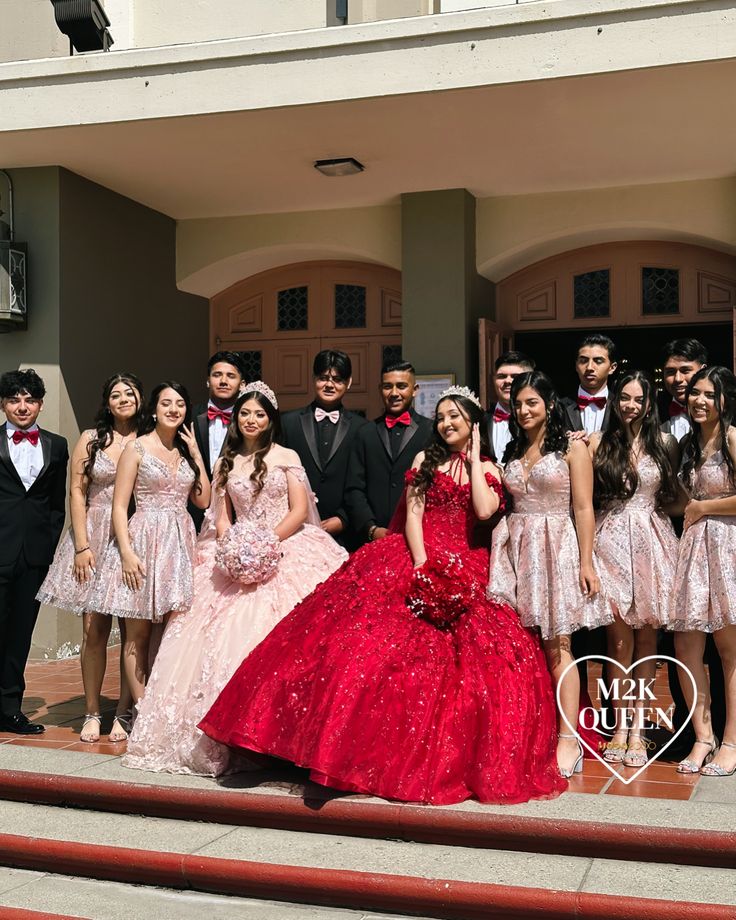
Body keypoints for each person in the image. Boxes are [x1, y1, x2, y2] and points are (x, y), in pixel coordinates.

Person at [200, 385, 565, 805]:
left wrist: (479, 450)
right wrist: (423, 563)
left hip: (469, 563)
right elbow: (412, 517)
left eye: (456, 417)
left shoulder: (489, 470)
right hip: (414, 554)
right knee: (361, 648)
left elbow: (484, 512)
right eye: (442, 416)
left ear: (472, 423)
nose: (446, 423)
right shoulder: (424, 459)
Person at [124, 383, 348, 776]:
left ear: (270, 420)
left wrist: (265, 541)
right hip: (235, 553)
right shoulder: (227, 461)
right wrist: (232, 545)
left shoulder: (286, 455)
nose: (251, 420)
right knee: (207, 637)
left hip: (286, 546)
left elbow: (298, 510)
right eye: (245, 414)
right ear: (236, 418)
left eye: (259, 414)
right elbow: (221, 514)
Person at [488, 370, 613, 777]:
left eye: (532, 403)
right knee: (522, 646)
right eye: (519, 403)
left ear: (549, 405)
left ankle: (568, 739)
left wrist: (586, 561)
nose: (523, 410)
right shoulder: (511, 450)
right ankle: (531, 731)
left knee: (558, 645)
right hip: (516, 551)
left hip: (556, 547)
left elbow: (583, 507)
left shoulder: (572, 449)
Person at [37, 373, 144, 743]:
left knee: (133, 630)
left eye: (129, 393)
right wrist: (82, 546)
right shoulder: (91, 439)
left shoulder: (149, 440)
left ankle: (126, 713)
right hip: (96, 533)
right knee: (93, 628)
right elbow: (77, 492)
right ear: (107, 402)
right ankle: (93, 711)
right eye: (116, 394)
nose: (123, 399)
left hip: (137, 536)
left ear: (141, 398)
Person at [90, 382, 210, 708]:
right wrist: (126, 553)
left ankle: (164, 703)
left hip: (180, 544)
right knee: (137, 635)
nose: (173, 409)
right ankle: (142, 711)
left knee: (172, 633)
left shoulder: (186, 451)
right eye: (166, 403)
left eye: (180, 404)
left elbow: (203, 499)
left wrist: (197, 454)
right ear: (154, 409)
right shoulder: (137, 448)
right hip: (144, 540)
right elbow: (119, 506)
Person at [589, 371, 680, 768]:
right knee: (618, 644)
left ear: (648, 402)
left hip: (652, 543)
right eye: (623, 398)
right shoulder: (597, 443)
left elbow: (675, 496)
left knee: (647, 644)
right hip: (610, 541)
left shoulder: (665, 443)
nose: (630, 405)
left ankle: (640, 727)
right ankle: (619, 726)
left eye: (637, 399)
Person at [671, 366, 736, 776]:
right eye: (695, 393)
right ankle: (703, 736)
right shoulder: (688, 442)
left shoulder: (732, 438)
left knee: (730, 651)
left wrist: (704, 508)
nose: (698, 400)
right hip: (693, 548)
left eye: (708, 394)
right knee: (685, 648)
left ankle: (731, 742)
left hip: (729, 546)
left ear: (724, 399)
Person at [0, 369, 68, 735]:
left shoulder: (57, 445)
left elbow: (56, 503)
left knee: (20, 634)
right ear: (3, 404)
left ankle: (10, 708)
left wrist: (50, 543)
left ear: (40, 404)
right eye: (14, 400)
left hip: (35, 555)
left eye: (29, 400)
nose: (22, 406)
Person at [281, 350, 367, 550]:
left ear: (349, 382)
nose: (329, 385)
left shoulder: (362, 428)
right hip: (296, 532)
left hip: (346, 535)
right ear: (313, 379)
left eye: (337, 379)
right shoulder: (288, 423)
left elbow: (364, 481)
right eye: (323, 378)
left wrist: (343, 519)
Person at [345, 360, 432, 546]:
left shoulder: (431, 431)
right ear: (380, 389)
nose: (394, 393)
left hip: (422, 538)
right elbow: (354, 488)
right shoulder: (365, 433)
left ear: (415, 389)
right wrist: (371, 529)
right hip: (372, 539)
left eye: (401, 386)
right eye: (387, 387)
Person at [190, 352, 245, 530]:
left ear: (242, 384)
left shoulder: (251, 421)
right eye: (217, 375)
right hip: (193, 512)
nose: (223, 381)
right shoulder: (188, 416)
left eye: (231, 376)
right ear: (207, 381)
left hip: (236, 514)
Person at [484, 351, 535, 464]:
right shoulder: (480, 421)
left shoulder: (544, 421)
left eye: (515, 376)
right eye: (501, 376)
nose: (508, 381)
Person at [561, 334, 618, 435]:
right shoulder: (560, 406)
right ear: (576, 365)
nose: (589, 367)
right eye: (583, 361)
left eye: (598, 361)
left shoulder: (620, 406)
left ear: (612, 368)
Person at [660, 339, 708, 440]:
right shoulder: (653, 410)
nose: (678, 379)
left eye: (685, 370)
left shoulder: (719, 410)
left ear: (703, 370)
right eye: (670, 372)